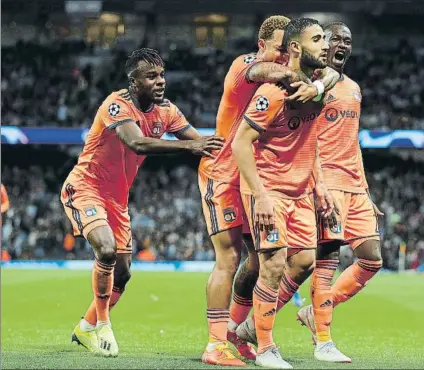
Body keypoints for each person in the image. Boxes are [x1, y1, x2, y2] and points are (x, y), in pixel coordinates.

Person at [60, 48, 224, 357]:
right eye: (151, 76)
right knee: (106, 249)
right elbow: (136, 141)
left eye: (161, 75)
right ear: (134, 82)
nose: (160, 81)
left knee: (122, 273)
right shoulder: (115, 105)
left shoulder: (168, 111)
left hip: (117, 201)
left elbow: (204, 144)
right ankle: (103, 327)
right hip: (85, 188)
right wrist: (189, 145)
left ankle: (85, 327)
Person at [198, 15, 340, 366]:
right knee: (229, 259)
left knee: (261, 262)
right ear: (263, 46)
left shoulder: (303, 77)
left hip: (260, 174)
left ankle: (238, 331)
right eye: (279, 49)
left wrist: (321, 83)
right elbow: (274, 73)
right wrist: (310, 80)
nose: (280, 57)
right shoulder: (246, 66)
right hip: (225, 174)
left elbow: (331, 73)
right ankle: (216, 344)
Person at [231, 18, 330, 369]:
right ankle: (265, 346)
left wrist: (321, 188)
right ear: (296, 49)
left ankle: (247, 328)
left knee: (304, 261)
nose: (326, 44)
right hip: (269, 189)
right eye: (318, 39)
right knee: (272, 264)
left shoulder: (317, 85)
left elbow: (310, 141)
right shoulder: (273, 92)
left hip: (301, 191)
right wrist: (259, 195)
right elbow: (240, 143)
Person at [296, 22, 383, 363]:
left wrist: (366, 189)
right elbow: (306, 139)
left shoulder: (355, 88)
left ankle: (313, 311)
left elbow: (353, 143)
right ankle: (323, 340)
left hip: (354, 186)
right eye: (336, 39)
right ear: (323, 44)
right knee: (326, 260)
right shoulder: (313, 85)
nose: (343, 44)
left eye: (349, 39)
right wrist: (317, 186)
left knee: (372, 258)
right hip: (327, 184)